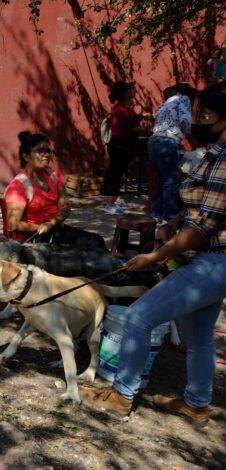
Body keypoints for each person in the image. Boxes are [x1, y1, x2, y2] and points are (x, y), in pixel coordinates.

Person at [82, 81, 226, 428]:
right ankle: (196, 403)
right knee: (198, 336)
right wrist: (172, 222)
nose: (197, 121)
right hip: (208, 260)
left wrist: (156, 255)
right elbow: (198, 207)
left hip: (213, 262)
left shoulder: (225, 158)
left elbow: (203, 227)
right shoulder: (214, 154)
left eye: (203, 114)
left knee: (139, 317)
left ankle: (121, 395)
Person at [4, 131, 106, 250]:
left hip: (55, 228)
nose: (46, 155)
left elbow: (66, 207)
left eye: (48, 151)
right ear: (26, 156)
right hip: (37, 237)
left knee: (96, 241)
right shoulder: (18, 186)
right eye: (40, 151)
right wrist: (38, 227)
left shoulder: (54, 175)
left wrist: (51, 223)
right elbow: (13, 224)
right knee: (94, 244)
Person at [147, 83, 197, 223]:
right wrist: (195, 133)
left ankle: (155, 213)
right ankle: (169, 217)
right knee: (170, 180)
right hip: (167, 142)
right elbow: (185, 121)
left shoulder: (165, 104)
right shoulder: (184, 99)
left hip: (153, 141)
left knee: (161, 179)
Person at [102, 81, 150, 215]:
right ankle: (109, 204)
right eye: (132, 89)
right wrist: (136, 129)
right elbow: (117, 133)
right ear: (125, 93)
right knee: (115, 174)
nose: (135, 90)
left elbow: (128, 122)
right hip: (119, 146)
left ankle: (113, 200)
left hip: (127, 146)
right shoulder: (119, 110)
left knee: (118, 173)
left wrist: (141, 116)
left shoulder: (127, 107)